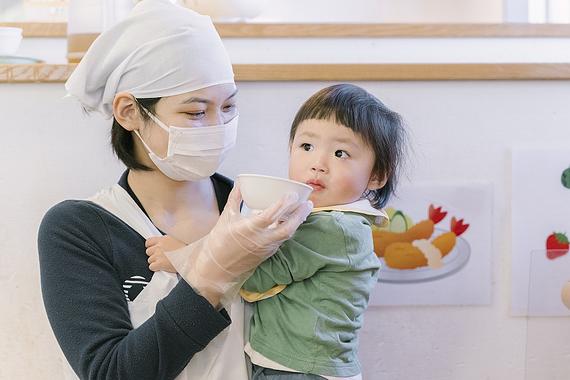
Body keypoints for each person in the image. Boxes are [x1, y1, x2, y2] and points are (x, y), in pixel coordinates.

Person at [37, 1, 312, 380]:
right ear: (129, 112)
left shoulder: (261, 215)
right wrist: (209, 277)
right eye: (195, 113)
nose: (218, 126)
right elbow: (110, 372)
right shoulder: (80, 229)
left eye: (228, 106)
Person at [147, 84, 407, 379]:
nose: (318, 164)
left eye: (340, 153)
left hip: (300, 370)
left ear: (376, 176)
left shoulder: (334, 227)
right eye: (306, 147)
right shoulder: (328, 218)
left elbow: (254, 277)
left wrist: (181, 253)